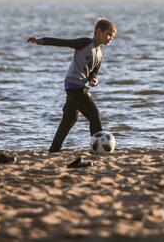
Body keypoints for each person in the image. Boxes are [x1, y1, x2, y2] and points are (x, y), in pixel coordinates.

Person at [27, 18, 117, 153]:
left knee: (70, 118)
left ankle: (54, 148)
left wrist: (94, 80)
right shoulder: (85, 43)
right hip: (74, 86)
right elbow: (63, 42)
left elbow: (93, 74)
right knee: (94, 114)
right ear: (98, 32)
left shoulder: (100, 54)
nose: (110, 38)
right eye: (108, 34)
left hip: (78, 87)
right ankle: (98, 149)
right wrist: (40, 40)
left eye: (112, 36)